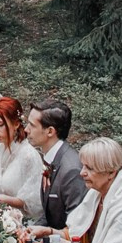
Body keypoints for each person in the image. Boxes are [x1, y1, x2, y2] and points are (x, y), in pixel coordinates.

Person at [25, 99, 90, 233]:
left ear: (50, 131)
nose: (26, 129)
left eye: (32, 125)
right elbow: (49, 215)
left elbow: (76, 227)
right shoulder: (50, 158)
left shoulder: (71, 170)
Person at [0, 96, 45, 221]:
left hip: (25, 222)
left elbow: (34, 201)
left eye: (0, 124)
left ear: (16, 124)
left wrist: (3, 199)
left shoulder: (28, 155)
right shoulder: (0, 149)